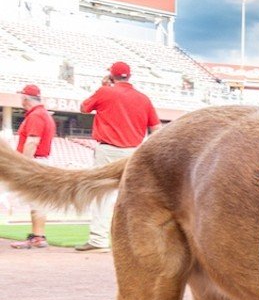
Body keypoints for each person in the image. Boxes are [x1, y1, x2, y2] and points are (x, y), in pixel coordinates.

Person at [77, 61, 160, 252]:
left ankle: (98, 240)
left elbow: (83, 108)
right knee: (133, 198)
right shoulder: (143, 98)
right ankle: (140, 243)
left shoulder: (105, 91)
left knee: (101, 196)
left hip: (107, 150)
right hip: (133, 152)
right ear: (129, 76)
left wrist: (104, 87)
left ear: (112, 76)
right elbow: (156, 129)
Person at [9, 84, 57, 250]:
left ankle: (38, 237)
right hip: (41, 161)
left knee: (36, 202)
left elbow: (32, 141)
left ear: (25, 98)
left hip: (35, 161)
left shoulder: (36, 115)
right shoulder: (42, 114)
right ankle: (37, 236)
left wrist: (24, 165)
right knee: (37, 202)